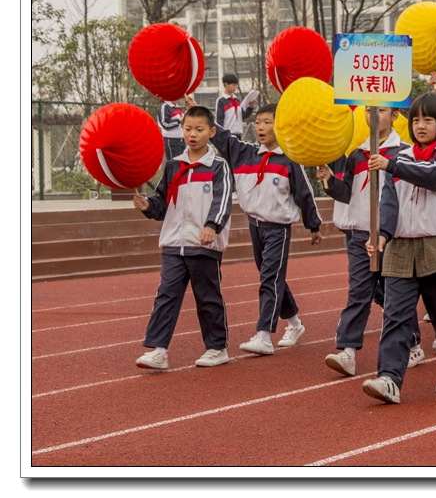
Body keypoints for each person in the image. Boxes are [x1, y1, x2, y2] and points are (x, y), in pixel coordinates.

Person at [361, 93, 436, 404]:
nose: (421, 125)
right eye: (416, 120)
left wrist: (392, 166)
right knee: (396, 315)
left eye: (428, 119)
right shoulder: (401, 157)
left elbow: (435, 176)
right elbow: (388, 202)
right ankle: (389, 378)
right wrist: (382, 234)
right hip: (401, 245)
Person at [208, 103, 322, 356]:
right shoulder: (245, 153)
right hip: (254, 226)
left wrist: (313, 225)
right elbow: (223, 137)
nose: (261, 127)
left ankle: (263, 335)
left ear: (280, 126)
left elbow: (305, 193)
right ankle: (294, 323)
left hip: (278, 229)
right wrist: (205, 117)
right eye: (258, 122)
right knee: (272, 277)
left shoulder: (290, 159)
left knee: (270, 278)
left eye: (267, 122)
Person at [132, 106, 233, 370]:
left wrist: (212, 226)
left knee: (207, 296)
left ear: (211, 132)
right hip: (174, 243)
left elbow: (223, 202)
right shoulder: (173, 165)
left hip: (203, 245)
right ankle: (158, 350)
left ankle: (216, 347)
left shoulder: (218, 166)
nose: (192, 134)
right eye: (187, 129)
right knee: (166, 294)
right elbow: (163, 201)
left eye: (199, 130)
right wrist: (148, 206)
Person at [317, 107, 410, 376]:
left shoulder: (403, 152)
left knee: (396, 295)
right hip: (360, 234)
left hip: (393, 236)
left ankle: (412, 341)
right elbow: (348, 193)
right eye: (369, 110)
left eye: (381, 110)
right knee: (358, 293)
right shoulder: (356, 154)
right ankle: (347, 351)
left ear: (394, 116)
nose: (373, 115)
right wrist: (329, 181)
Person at [215, 72, 256, 138]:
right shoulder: (221, 101)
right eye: (233, 85)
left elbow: (242, 116)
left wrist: (250, 107)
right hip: (228, 135)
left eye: (236, 85)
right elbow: (219, 120)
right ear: (226, 84)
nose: (235, 87)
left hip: (238, 135)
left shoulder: (236, 99)